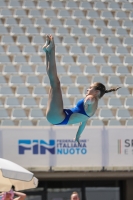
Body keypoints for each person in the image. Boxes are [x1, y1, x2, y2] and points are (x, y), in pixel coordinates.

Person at [43, 35, 121, 143]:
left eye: (90, 88)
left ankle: (51, 49)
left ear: (97, 92)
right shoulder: (91, 110)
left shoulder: (92, 99)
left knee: (55, 83)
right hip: (57, 118)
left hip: (58, 117)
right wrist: (77, 137)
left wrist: (87, 101)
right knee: (53, 83)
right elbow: (82, 124)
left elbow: (89, 100)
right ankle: (48, 51)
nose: (88, 90)